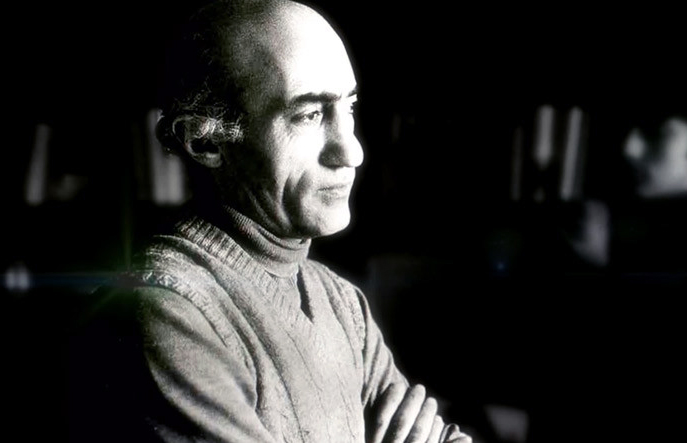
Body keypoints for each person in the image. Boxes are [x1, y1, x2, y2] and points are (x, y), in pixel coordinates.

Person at [71, 1, 472, 442]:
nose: (352, 152)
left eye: (350, 108)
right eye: (309, 115)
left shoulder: (343, 303)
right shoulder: (165, 310)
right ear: (206, 143)